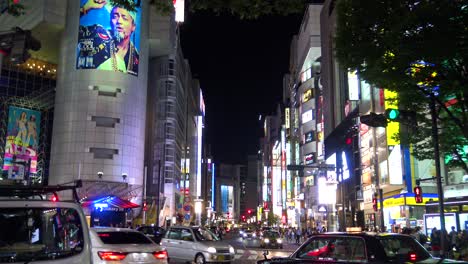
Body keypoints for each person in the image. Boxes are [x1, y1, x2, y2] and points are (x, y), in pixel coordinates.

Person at [77, 0, 139, 75]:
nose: (119, 21)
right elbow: (73, 33)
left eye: (124, 18)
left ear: (133, 27)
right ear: (110, 21)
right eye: (115, 16)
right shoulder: (97, 34)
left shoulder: (136, 57)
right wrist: (84, 8)